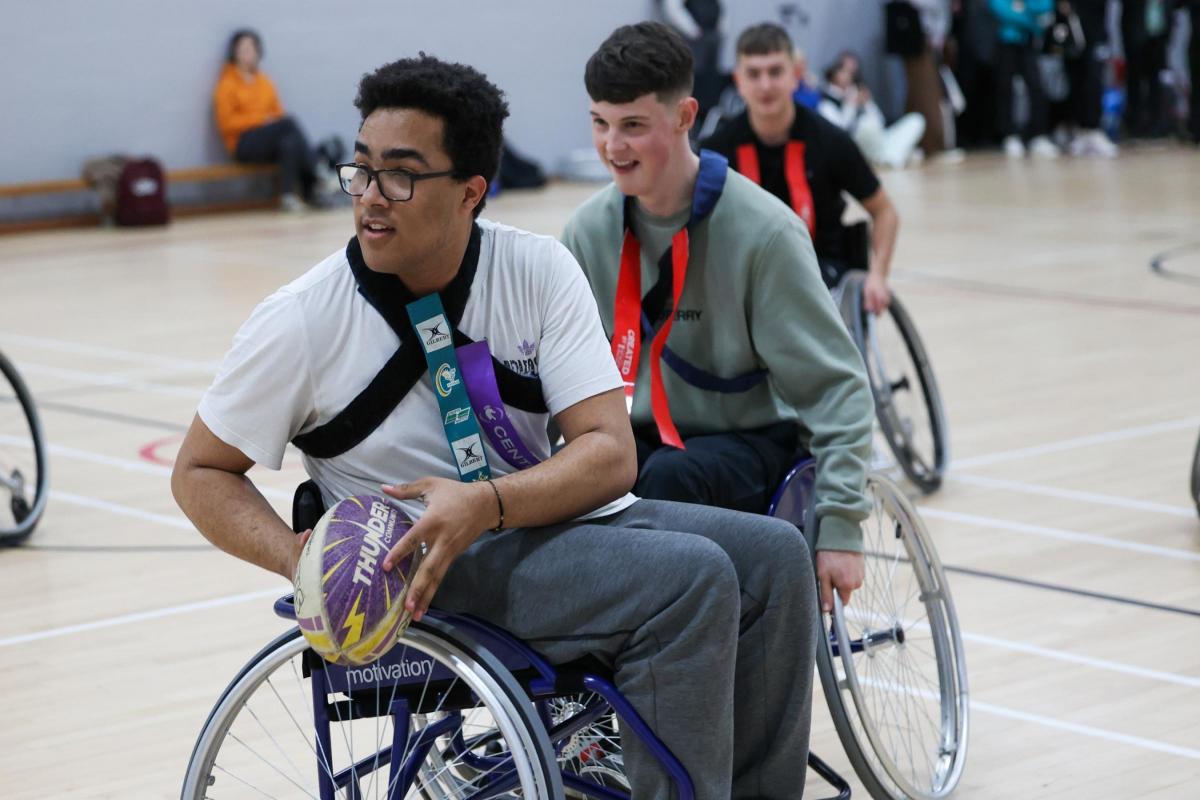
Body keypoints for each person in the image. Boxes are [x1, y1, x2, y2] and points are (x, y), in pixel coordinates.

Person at [174, 53, 817, 800]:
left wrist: (487, 503)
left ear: (470, 193)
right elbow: (199, 470)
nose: (371, 197)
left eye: (402, 175)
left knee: (774, 555)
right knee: (692, 580)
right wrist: (298, 562)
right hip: (427, 575)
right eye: (362, 170)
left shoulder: (538, 270)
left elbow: (611, 457)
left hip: (544, 528)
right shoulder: (301, 320)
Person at [562, 23, 872, 617]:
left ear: (684, 116)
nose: (611, 145)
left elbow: (837, 389)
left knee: (668, 480)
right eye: (599, 122)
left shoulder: (764, 232)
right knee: (579, 487)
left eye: (632, 125)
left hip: (751, 444)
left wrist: (841, 527)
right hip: (640, 442)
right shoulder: (587, 232)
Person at [704, 24, 903, 314]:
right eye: (754, 74)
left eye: (775, 72)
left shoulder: (831, 141)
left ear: (795, 75)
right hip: (745, 279)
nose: (765, 85)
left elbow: (884, 211)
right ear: (738, 80)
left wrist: (878, 276)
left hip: (822, 275)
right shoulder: (716, 150)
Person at [213, 28, 321, 211]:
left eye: (251, 48)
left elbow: (277, 114)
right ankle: (316, 176)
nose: (248, 53)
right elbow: (227, 124)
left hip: (268, 140)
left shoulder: (265, 82)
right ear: (234, 52)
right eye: (243, 48)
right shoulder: (226, 84)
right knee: (290, 124)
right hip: (242, 143)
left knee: (289, 142)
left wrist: (268, 122)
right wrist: (261, 120)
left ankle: (292, 196)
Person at [818, 50, 929, 168]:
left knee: (916, 119)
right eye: (844, 70)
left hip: (878, 138)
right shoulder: (826, 102)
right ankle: (896, 156)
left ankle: (891, 157)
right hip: (857, 144)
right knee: (866, 126)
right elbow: (840, 131)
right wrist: (851, 105)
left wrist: (868, 103)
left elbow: (879, 121)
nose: (849, 75)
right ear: (834, 72)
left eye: (852, 72)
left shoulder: (857, 91)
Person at [988, 0, 1062, 157]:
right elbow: (999, 9)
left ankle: (1038, 135)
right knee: (1005, 87)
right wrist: (1032, 22)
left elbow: (1045, 5)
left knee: (1037, 86)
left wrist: (1021, 9)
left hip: (1028, 41)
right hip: (1005, 41)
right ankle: (1009, 135)